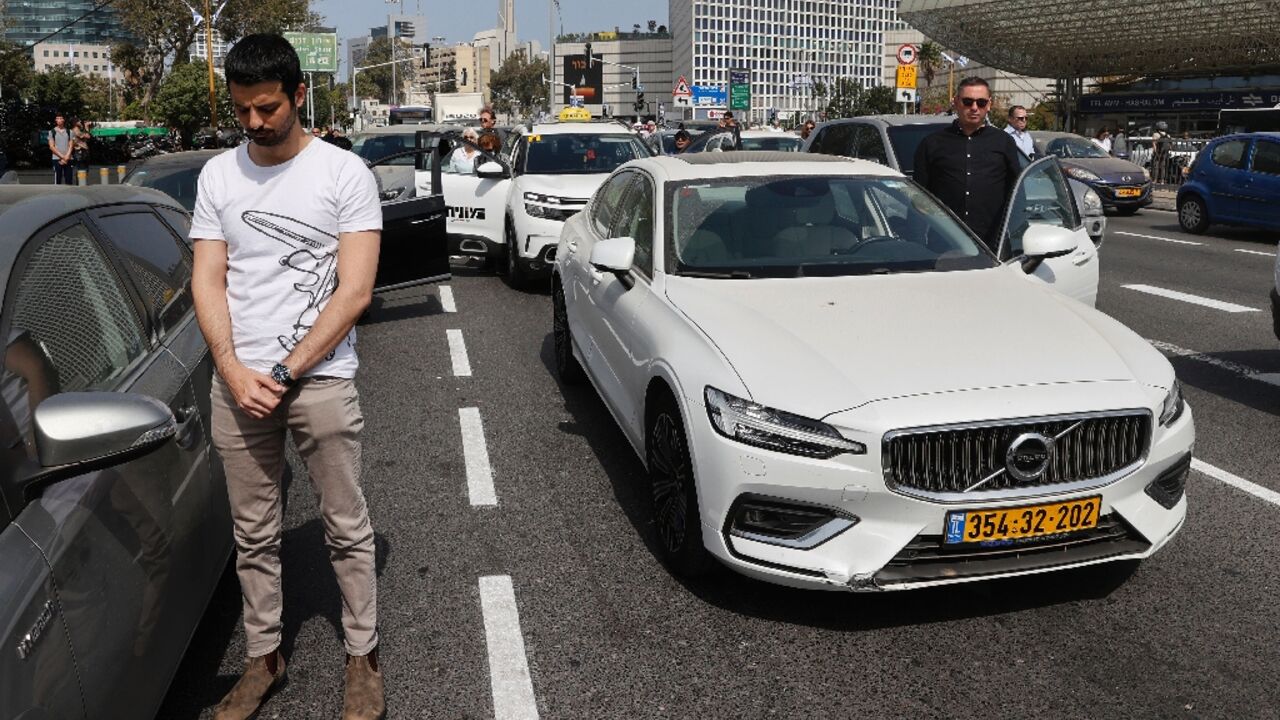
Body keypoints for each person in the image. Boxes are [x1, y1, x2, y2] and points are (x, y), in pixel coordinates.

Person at [188, 34, 385, 720]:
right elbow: (207, 279)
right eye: (242, 111)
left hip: (321, 379)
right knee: (253, 534)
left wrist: (281, 369)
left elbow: (355, 291)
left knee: (345, 526)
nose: (254, 123)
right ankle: (262, 657)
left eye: (267, 107)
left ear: (299, 94)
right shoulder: (217, 176)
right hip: (237, 384)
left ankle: (362, 655)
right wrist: (233, 369)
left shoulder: (343, 174)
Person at [914, 77, 1023, 251]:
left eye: (981, 102)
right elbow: (918, 199)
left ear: (989, 105)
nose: (974, 108)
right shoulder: (931, 144)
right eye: (967, 101)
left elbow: (1017, 192)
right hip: (944, 244)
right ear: (956, 102)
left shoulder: (1004, 142)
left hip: (993, 245)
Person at [48, 114, 74, 185]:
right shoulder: (52, 132)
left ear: (63, 120)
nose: (59, 120)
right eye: (57, 118)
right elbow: (51, 146)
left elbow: (71, 145)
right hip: (57, 159)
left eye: (60, 118)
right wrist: (63, 157)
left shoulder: (69, 131)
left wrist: (67, 157)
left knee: (69, 180)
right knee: (58, 180)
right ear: (55, 120)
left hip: (69, 158)